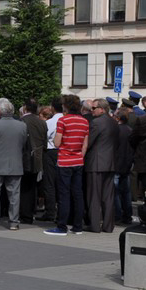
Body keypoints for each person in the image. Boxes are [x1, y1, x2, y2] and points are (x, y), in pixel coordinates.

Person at [45, 95, 89, 236]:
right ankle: (77, 226)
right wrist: (79, 157)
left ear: (66, 106)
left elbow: (57, 143)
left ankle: (62, 226)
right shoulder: (84, 121)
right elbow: (85, 145)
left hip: (64, 161)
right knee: (77, 193)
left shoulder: (63, 120)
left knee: (64, 194)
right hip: (78, 161)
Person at [0, 99, 28, 230]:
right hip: (15, 163)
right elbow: (23, 143)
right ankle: (14, 222)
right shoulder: (22, 126)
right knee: (14, 194)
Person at [84, 98, 120, 233]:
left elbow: (89, 143)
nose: (91, 110)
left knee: (94, 195)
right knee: (108, 196)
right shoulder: (114, 122)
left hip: (96, 163)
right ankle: (108, 225)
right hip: (110, 162)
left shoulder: (96, 122)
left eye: (94, 108)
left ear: (102, 109)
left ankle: (94, 225)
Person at [20, 99, 47, 225]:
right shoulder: (42, 123)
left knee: (24, 188)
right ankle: (31, 212)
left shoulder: (22, 121)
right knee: (33, 187)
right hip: (38, 158)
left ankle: (25, 214)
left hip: (24, 158)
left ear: (25, 108)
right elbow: (44, 143)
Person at [114, 109, 135, 225]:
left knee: (115, 191)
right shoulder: (130, 130)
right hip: (127, 164)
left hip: (116, 164)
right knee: (126, 191)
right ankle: (127, 215)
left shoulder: (116, 130)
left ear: (118, 118)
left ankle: (117, 215)